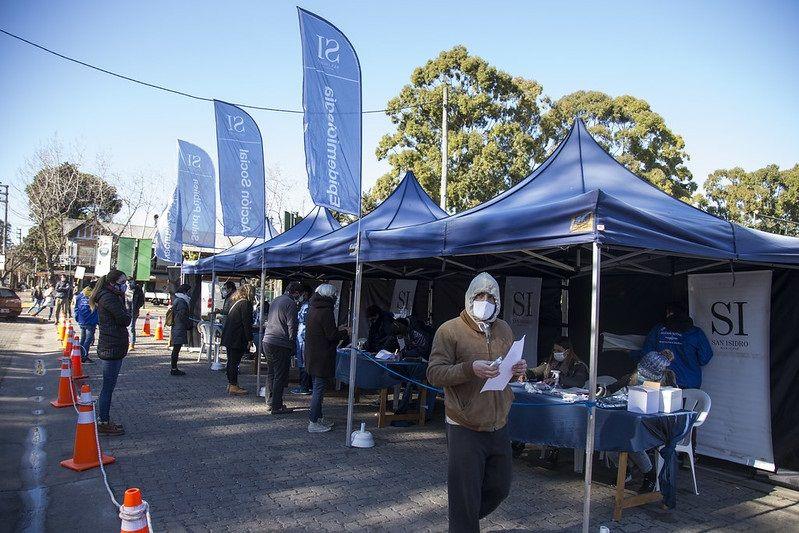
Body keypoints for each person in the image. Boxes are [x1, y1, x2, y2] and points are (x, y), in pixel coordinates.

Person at [427, 272, 527, 533]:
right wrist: (470, 369)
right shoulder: (449, 330)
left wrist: (518, 368)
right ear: (469, 298)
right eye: (479, 296)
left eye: (490, 297)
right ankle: (463, 522)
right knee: (464, 496)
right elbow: (435, 373)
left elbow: (507, 368)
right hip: (464, 424)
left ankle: (463, 519)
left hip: (498, 422)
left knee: (500, 487)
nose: (485, 301)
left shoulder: (504, 328)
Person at [600, 349, 677, 493]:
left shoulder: (668, 381)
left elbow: (670, 406)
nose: (641, 375)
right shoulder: (632, 377)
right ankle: (624, 471)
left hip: (656, 425)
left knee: (632, 442)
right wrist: (603, 391)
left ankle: (650, 475)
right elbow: (612, 389)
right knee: (610, 439)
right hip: (631, 422)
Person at [521, 336, 589, 467]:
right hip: (547, 399)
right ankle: (519, 442)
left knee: (555, 419)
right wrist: (524, 373)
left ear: (567, 351)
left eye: (559, 350)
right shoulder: (550, 363)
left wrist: (559, 378)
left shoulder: (578, 366)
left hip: (568, 403)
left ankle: (554, 450)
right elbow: (535, 371)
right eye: (554, 350)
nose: (555, 353)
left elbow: (578, 382)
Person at [89, 269, 131, 436]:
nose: (125, 286)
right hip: (111, 346)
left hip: (113, 345)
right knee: (108, 387)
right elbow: (124, 319)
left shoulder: (110, 296)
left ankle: (103, 419)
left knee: (109, 386)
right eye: (122, 283)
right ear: (113, 283)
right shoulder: (108, 297)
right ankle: (103, 421)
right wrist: (126, 309)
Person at [636, 302, 713, 389]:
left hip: (661, 383)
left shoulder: (658, 330)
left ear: (670, 313)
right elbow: (705, 359)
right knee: (689, 402)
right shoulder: (696, 332)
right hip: (689, 382)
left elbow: (646, 355)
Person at [304, 284, 348, 433]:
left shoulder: (313, 308)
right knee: (318, 390)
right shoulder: (326, 311)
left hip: (313, 354)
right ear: (330, 296)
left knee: (318, 388)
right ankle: (314, 421)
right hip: (322, 356)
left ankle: (318, 417)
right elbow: (331, 335)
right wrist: (343, 332)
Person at [262, 281, 303, 414]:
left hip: (267, 340)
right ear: (296, 293)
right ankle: (277, 406)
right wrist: (292, 342)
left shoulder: (276, 299)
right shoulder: (290, 303)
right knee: (280, 374)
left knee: (271, 373)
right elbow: (292, 325)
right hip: (280, 342)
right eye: (299, 294)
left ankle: (270, 402)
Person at [220, 284, 254, 395]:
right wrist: (250, 339)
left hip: (229, 336)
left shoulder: (234, 302)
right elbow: (246, 323)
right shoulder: (245, 304)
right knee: (234, 362)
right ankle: (233, 385)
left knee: (231, 361)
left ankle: (231, 384)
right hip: (237, 338)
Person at [291, 284, 314, 395]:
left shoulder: (307, 306)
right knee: (302, 362)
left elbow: (304, 320)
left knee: (303, 363)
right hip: (302, 337)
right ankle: (305, 386)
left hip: (303, 337)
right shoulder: (304, 304)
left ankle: (304, 386)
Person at [168, 283, 192, 376]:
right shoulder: (182, 302)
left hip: (177, 327)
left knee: (176, 349)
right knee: (176, 349)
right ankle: (174, 368)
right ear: (185, 292)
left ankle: (174, 368)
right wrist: (188, 324)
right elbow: (182, 316)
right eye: (188, 291)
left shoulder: (177, 300)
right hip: (179, 327)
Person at [74, 280, 98, 363]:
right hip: (91, 321)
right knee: (88, 339)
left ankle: (79, 354)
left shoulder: (80, 295)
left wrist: (77, 317)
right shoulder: (95, 296)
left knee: (83, 338)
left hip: (81, 320)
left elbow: (76, 308)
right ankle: (84, 356)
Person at [125, 280, 145, 351]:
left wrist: (137, 307)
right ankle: (125, 343)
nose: (129, 284)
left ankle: (131, 344)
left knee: (131, 328)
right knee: (124, 327)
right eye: (128, 282)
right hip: (124, 311)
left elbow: (142, 301)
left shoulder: (138, 290)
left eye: (131, 282)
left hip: (133, 312)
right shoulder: (123, 289)